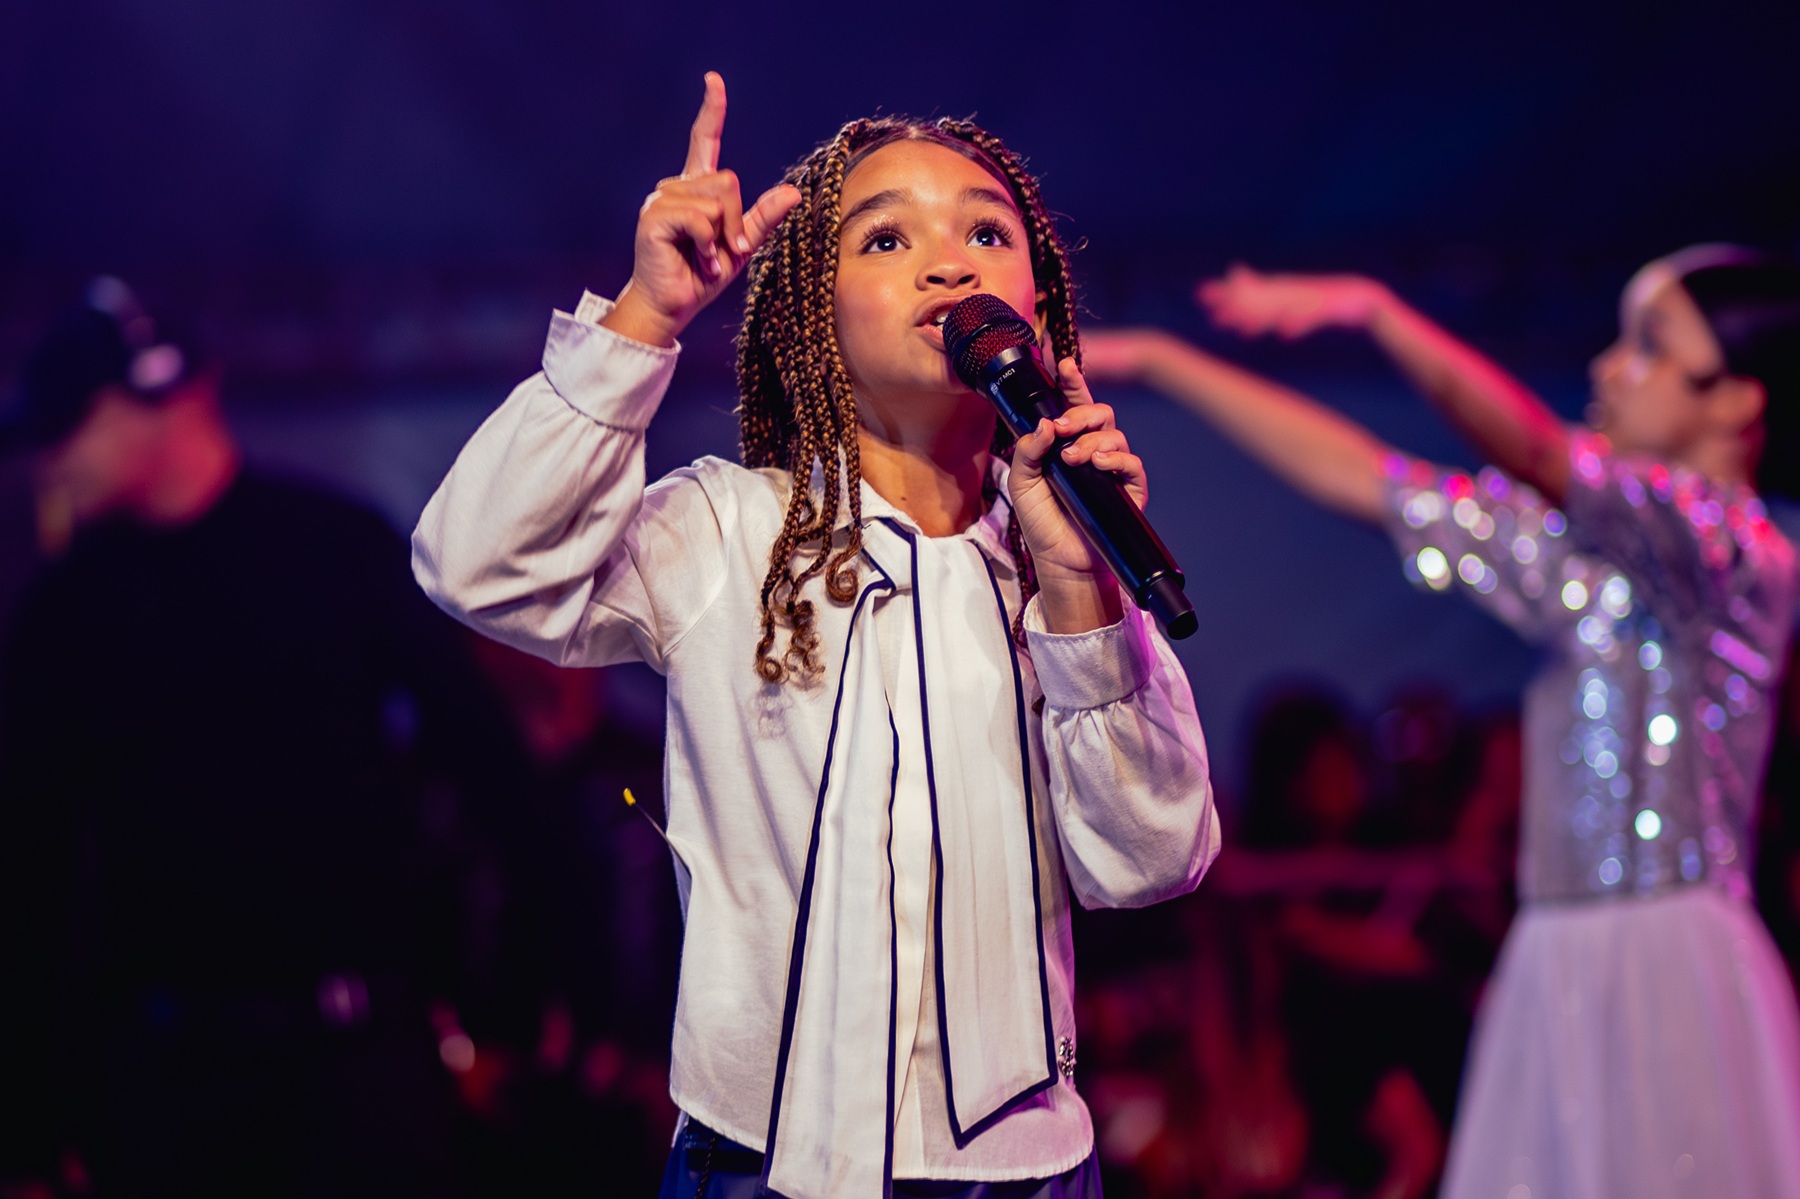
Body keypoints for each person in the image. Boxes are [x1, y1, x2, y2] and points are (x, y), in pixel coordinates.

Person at [411, 72, 1219, 1199]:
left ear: (1037, 303)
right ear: (813, 313)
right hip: (768, 1162)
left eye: (987, 231)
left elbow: (1151, 860)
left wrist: (1082, 587)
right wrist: (647, 317)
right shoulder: (727, 531)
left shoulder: (1064, 562)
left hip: (1028, 1171)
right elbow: (477, 561)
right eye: (885, 238)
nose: (951, 261)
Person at [1082, 247, 1800, 1198]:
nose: (1609, 368)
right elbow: (1366, 478)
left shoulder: (1737, 554)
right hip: (1555, 953)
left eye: (1650, 348)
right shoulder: (1593, 569)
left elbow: (1538, 450)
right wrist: (1161, 362)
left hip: (1667, 964)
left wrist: (1378, 313)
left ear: (1737, 402)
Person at [0, 278, 524, 1196]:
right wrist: (33, 1127)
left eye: (68, 425)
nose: (47, 461)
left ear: (168, 397)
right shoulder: (69, 608)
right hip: (166, 1088)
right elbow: (25, 872)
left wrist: (503, 1010)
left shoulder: (335, 547)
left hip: (361, 1071)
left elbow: (494, 774)